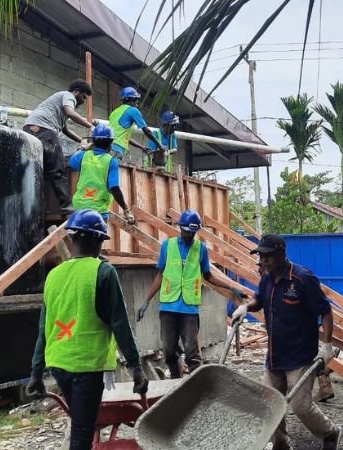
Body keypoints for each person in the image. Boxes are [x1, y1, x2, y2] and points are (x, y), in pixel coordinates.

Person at [25, 209, 148, 450]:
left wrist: (36, 372)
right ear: (98, 241)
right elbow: (120, 323)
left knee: (80, 425)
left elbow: (44, 329)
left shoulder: (54, 275)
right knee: (82, 433)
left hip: (59, 363)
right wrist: (136, 368)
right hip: (87, 366)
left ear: (71, 240)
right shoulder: (103, 272)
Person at [232, 234, 342, 450]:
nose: (263, 261)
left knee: (300, 406)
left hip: (300, 356)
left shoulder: (302, 279)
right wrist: (246, 307)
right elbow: (259, 300)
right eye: (260, 256)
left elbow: (326, 311)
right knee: (269, 405)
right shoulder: (267, 277)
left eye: (267, 256)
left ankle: (330, 433)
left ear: (282, 253)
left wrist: (327, 346)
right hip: (274, 356)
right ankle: (281, 444)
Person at [136, 208, 245, 378]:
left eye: (193, 232)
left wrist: (231, 288)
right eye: (187, 232)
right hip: (168, 307)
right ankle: (176, 380)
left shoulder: (200, 249)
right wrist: (146, 301)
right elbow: (160, 274)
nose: (190, 235)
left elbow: (208, 276)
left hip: (189, 309)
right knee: (169, 352)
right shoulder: (168, 245)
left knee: (192, 352)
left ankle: (198, 388)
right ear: (181, 228)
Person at [23, 80, 95, 215]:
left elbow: (65, 130)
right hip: (44, 130)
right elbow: (70, 112)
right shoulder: (68, 96)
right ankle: (67, 207)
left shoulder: (56, 106)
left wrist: (82, 141)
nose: (84, 100)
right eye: (84, 97)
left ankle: (41, 208)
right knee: (57, 169)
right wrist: (90, 125)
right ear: (77, 91)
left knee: (40, 171)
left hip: (30, 129)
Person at [68, 124, 135, 225]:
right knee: (97, 239)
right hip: (98, 211)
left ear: (93, 141)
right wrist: (126, 209)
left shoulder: (84, 155)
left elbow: (72, 164)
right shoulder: (112, 161)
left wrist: (83, 148)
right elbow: (114, 188)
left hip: (79, 207)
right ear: (111, 143)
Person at [108, 87, 167, 157]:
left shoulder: (114, 112)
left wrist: (142, 147)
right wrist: (160, 145)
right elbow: (146, 131)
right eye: (137, 99)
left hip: (108, 147)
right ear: (132, 100)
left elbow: (124, 137)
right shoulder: (133, 110)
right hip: (117, 149)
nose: (137, 102)